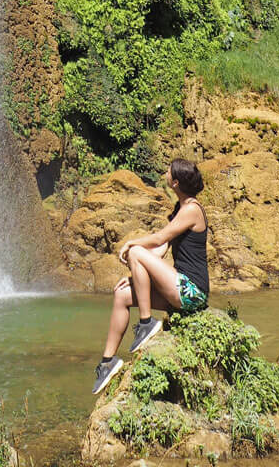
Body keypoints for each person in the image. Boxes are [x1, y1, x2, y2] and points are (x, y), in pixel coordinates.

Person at [92, 157, 209, 395]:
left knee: (137, 251)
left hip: (192, 291)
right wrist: (135, 275)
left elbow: (158, 239)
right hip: (177, 287)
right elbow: (160, 249)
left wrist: (133, 246)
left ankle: (146, 324)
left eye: (168, 172)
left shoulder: (192, 210)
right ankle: (107, 363)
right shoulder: (179, 209)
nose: (165, 173)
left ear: (175, 182)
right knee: (123, 294)